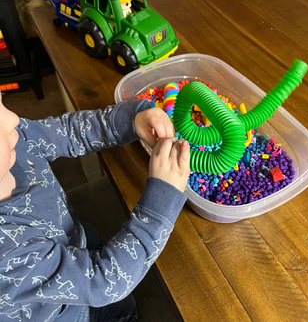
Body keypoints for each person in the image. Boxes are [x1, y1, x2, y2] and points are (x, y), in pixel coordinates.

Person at [0, 92, 190, 322]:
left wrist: (129, 120)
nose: (12, 119)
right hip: (62, 312)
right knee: (122, 308)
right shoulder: (7, 256)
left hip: (63, 233)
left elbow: (66, 132)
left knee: (87, 234)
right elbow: (104, 283)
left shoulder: (13, 137)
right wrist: (161, 202)